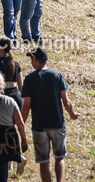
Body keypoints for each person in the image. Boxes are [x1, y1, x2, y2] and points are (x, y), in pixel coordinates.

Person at [21, 47, 80, 182]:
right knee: (59, 158)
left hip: (39, 126)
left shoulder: (30, 79)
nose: (31, 61)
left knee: (44, 162)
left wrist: (21, 124)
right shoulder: (57, 75)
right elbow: (66, 101)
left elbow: (26, 106)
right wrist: (72, 114)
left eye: (31, 58)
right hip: (57, 124)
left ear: (36, 61)